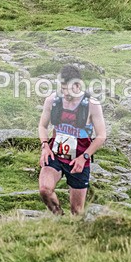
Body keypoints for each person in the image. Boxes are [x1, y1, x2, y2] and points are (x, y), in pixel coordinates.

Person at [38, 65, 107, 215]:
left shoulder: (92, 105)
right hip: (55, 154)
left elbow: (101, 136)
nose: (65, 93)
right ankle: (58, 217)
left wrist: (85, 157)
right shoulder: (52, 100)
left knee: (77, 211)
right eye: (62, 88)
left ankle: (73, 229)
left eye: (67, 89)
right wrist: (45, 146)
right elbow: (42, 126)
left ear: (78, 85)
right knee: (45, 189)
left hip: (79, 160)